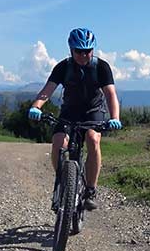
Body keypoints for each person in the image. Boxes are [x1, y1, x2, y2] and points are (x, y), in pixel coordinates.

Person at [28, 28, 122, 210]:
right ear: (71, 49)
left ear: (93, 50)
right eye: (79, 51)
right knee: (58, 142)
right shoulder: (63, 67)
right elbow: (47, 91)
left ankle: (90, 190)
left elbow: (111, 94)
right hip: (70, 111)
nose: (83, 55)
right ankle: (63, 180)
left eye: (87, 51)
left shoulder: (101, 67)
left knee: (93, 140)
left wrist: (115, 117)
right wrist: (36, 106)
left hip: (93, 112)